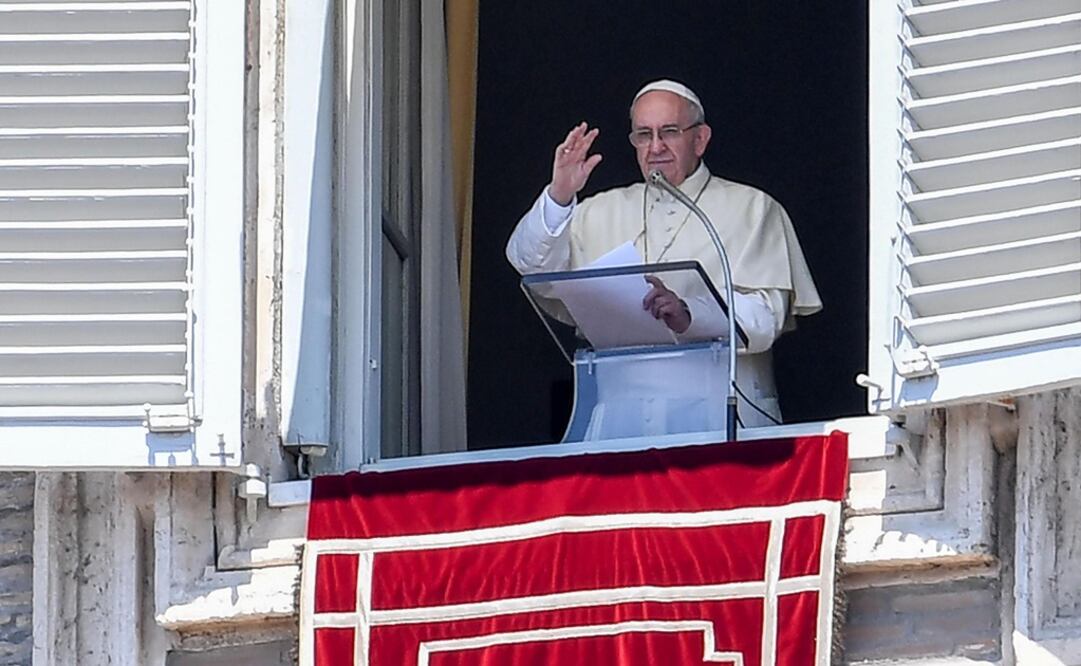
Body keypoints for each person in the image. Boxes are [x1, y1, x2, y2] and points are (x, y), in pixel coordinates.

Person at [506, 79, 821, 438]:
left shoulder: (753, 208)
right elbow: (532, 267)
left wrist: (690, 314)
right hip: (618, 425)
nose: (655, 147)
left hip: (719, 418)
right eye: (643, 135)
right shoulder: (599, 210)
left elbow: (767, 318)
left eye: (669, 131)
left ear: (700, 139)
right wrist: (560, 194)